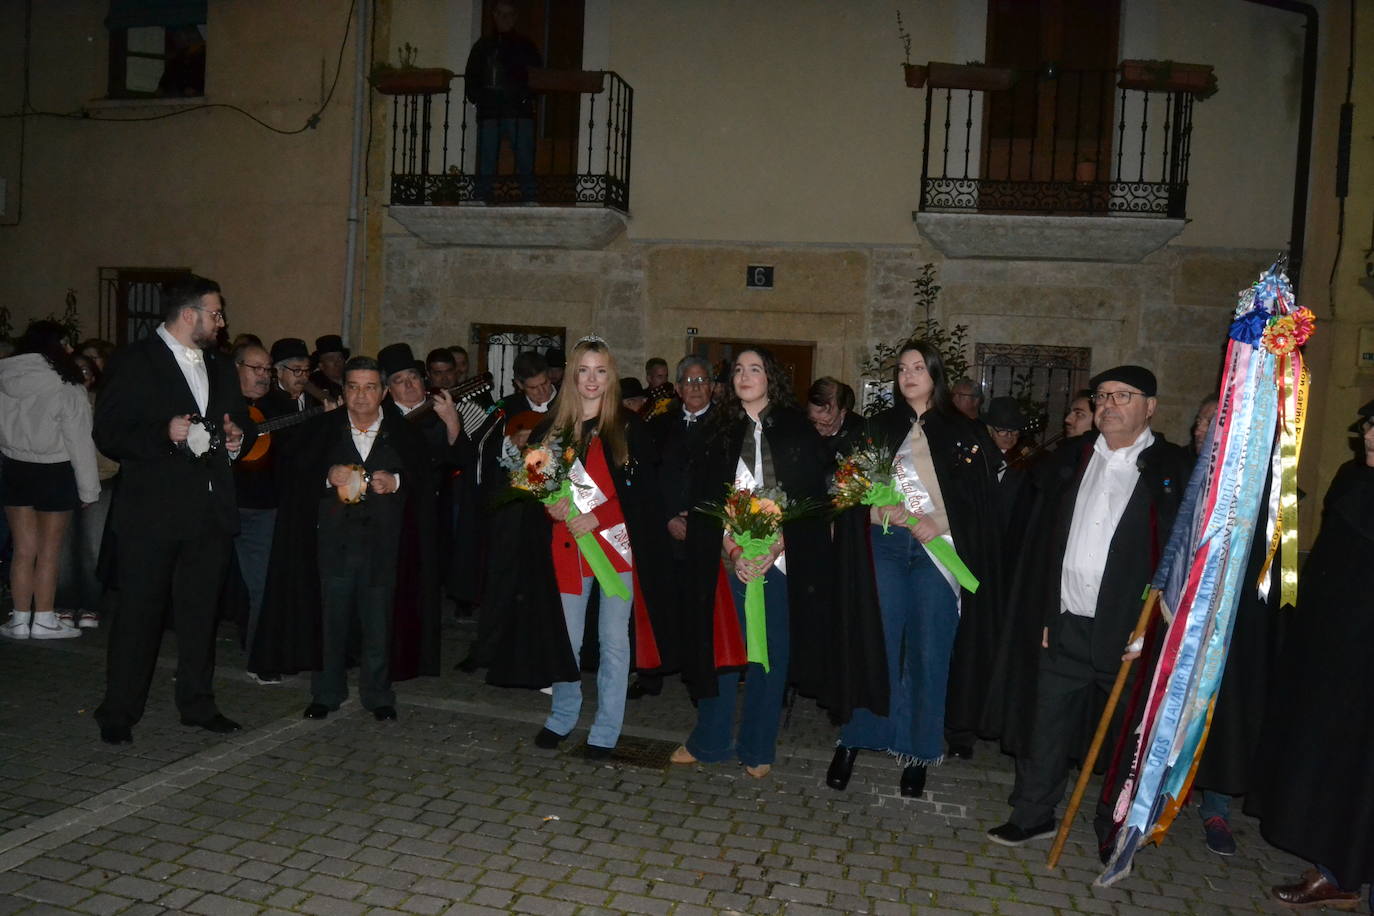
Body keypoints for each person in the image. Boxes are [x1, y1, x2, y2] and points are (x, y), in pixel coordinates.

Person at [985, 365, 1190, 860]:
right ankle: (1031, 815)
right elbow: (1039, 547)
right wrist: (1042, 617)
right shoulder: (1070, 460)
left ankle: (1113, 826)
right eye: (1102, 396)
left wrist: (1160, 624)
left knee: (1123, 739)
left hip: (1130, 635)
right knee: (1045, 724)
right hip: (1066, 623)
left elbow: (1184, 555)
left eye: (1123, 396)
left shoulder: (1172, 468)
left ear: (1150, 407)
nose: (1109, 405)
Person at [826, 341, 1002, 795]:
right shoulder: (875, 430)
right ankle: (857, 737)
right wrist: (882, 513)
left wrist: (936, 522)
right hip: (885, 544)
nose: (908, 375)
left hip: (938, 550)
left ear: (935, 374)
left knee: (928, 648)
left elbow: (980, 506)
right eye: (902, 368)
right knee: (875, 640)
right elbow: (848, 495)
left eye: (918, 367)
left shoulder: (965, 433)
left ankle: (919, 749)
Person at [486, 337, 676, 756]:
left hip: (614, 546)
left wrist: (600, 515)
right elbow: (532, 481)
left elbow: (644, 497)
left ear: (610, 377)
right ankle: (563, 715)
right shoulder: (553, 426)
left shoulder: (630, 428)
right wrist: (547, 502)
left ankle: (606, 729)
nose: (592, 380)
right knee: (565, 640)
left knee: (613, 641)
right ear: (572, 376)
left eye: (601, 371)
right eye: (584, 371)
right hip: (566, 548)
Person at [91, 276, 255, 745]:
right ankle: (119, 711)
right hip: (153, 514)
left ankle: (198, 704)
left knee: (201, 615)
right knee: (139, 615)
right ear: (189, 315)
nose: (222, 323)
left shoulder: (222, 368)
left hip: (209, 512)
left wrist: (238, 438)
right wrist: (165, 433)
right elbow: (109, 432)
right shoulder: (134, 361)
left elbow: (237, 423)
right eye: (216, 314)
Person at [671, 347, 833, 778]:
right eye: (739, 370)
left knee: (769, 658)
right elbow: (705, 502)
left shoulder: (797, 430)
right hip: (726, 564)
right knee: (721, 654)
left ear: (770, 378)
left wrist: (776, 547)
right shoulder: (717, 431)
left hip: (779, 564)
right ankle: (709, 740)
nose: (746, 376)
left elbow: (811, 501)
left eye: (755, 369)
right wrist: (735, 549)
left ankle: (758, 747)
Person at [1248, 401, 1374, 910]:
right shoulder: (1353, 479)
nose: (1370, 434)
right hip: (1341, 660)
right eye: (1369, 423)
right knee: (1339, 765)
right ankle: (1338, 868)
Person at [0, 320, 101, 640]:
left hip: (14, 466)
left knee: (23, 549)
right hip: (54, 470)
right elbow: (80, 442)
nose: (71, 351)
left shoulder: (4, 376)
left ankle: (19, 619)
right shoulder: (66, 384)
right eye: (67, 344)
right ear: (55, 345)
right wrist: (89, 489)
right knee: (49, 550)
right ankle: (43, 618)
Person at [230, 342, 291, 685]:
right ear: (235, 367)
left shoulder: (276, 406)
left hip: (263, 508)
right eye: (256, 368)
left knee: (263, 585)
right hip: (220, 507)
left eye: (267, 369)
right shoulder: (217, 402)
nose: (263, 376)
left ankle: (260, 655)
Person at [464, 0, 542, 204]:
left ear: (515, 17)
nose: (504, 18)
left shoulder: (525, 46)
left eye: (508, 14)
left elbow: (537, 76)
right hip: (490, 110)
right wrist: (479, 98)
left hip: (519, 110)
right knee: (487, 156)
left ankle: (530, 196)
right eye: (500, 13)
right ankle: (482, 195)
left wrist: (526, 96)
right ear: (494, 16)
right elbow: (471, 76)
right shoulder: (482, 46)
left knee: (525, 156)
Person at [807, 376, 863, 460]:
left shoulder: (860, 432)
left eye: (825, 424)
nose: (818, 428)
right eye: (813, 421)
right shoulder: (800, 424)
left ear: (842, 412)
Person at [310, 334, 348, 401]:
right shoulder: (314, 383)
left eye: (340, 358)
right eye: (331, 359)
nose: (337, 363)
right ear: (321, 365)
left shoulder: (352, 377)